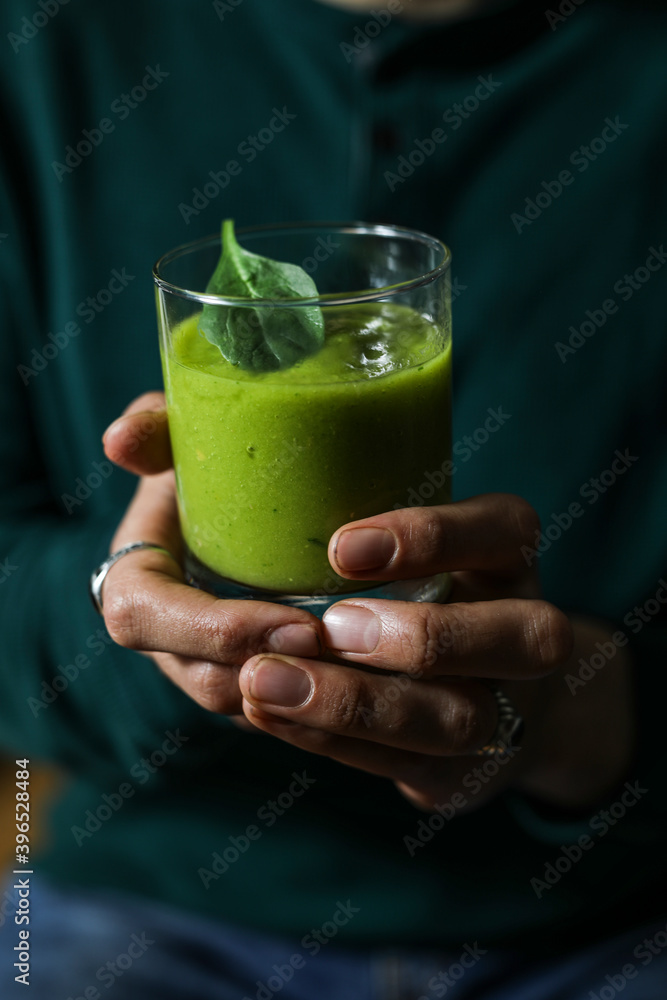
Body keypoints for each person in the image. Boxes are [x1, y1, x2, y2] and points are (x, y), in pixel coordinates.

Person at [1, 0, 666, 996]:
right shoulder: (46, 42)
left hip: (602, 915)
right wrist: (130, 625)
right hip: (154, 906)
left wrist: (579, 711)